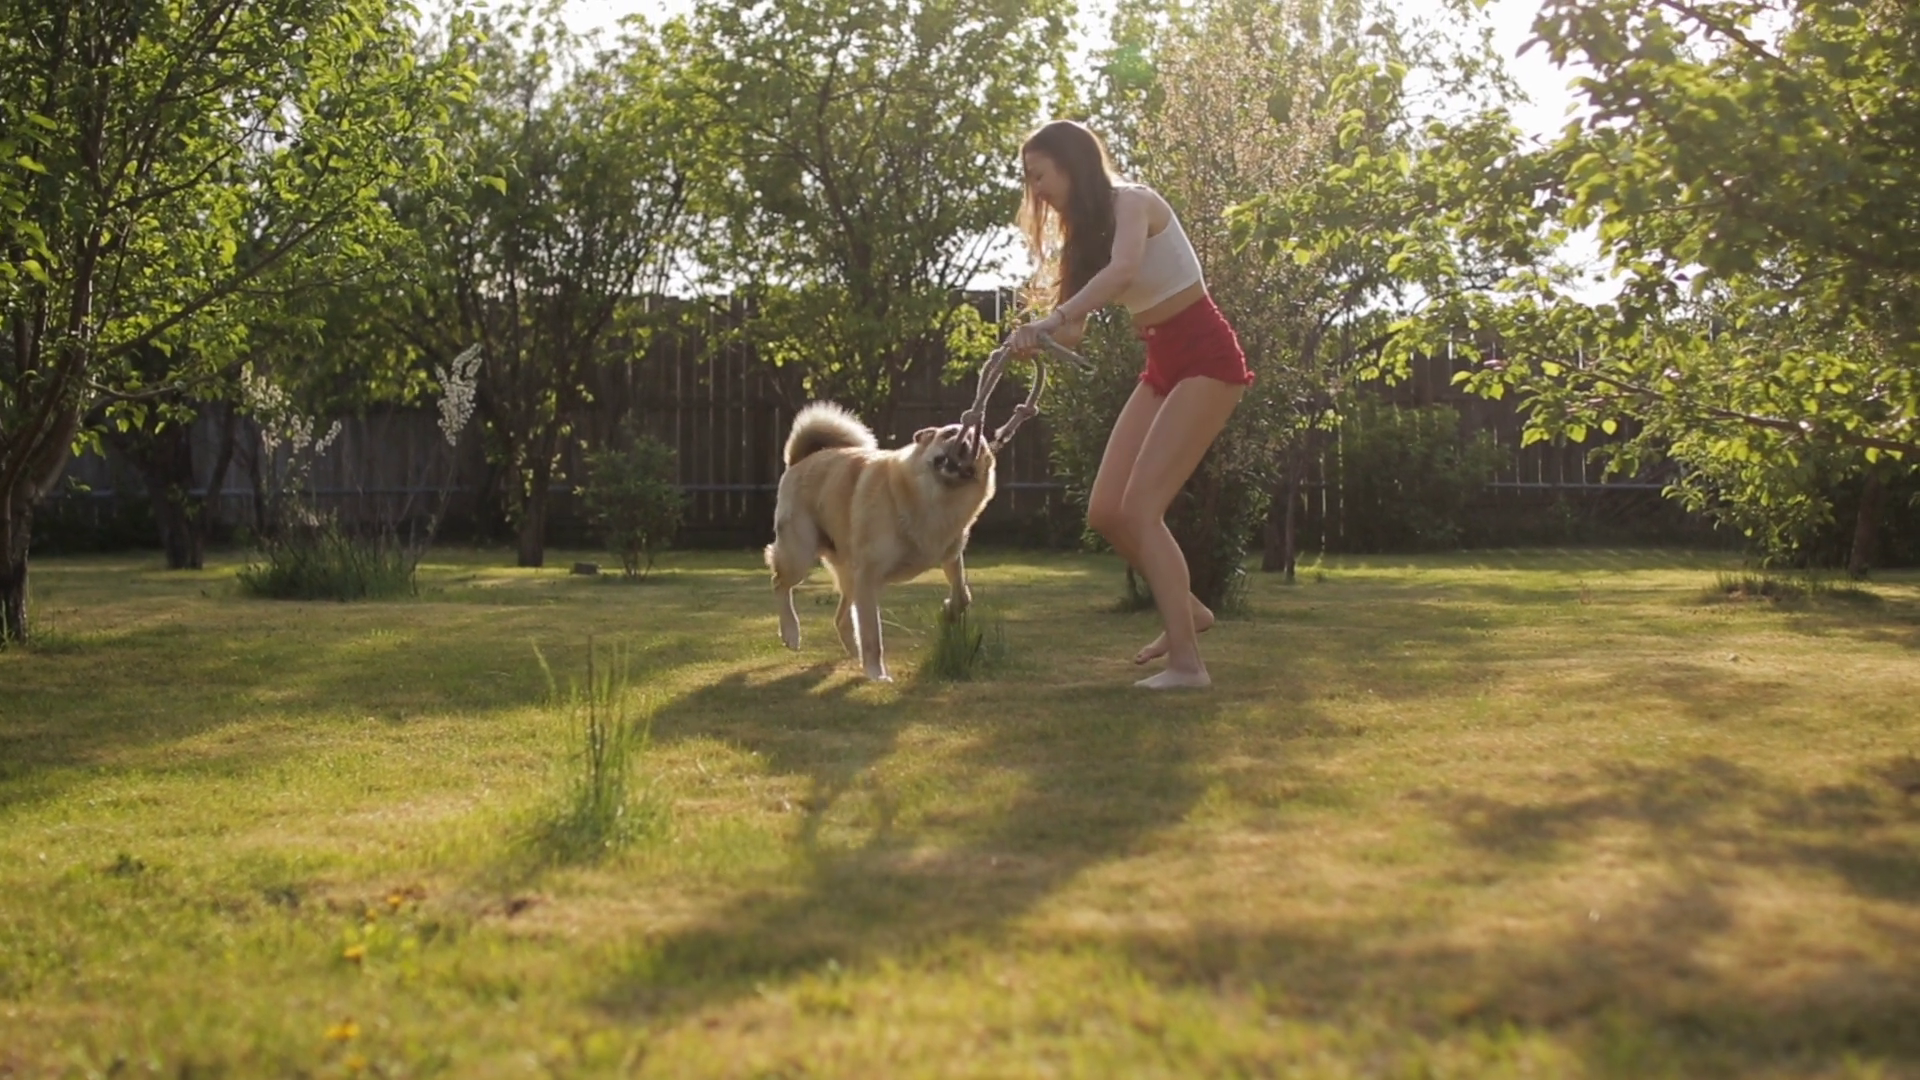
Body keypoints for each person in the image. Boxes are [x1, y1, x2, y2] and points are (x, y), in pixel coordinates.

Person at [1002, 119, 1254, 691]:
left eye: (1039, 175)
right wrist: (1035, 335)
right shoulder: (1085, 235)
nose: (1035, 190)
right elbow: (1073, 331)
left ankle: (1187, 666)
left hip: (1207, 358)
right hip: (1162, 361)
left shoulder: (1133, 202)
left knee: (1141, 510)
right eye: (1028, 179)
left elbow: (1124, 271)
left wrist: (1054, 317)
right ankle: (1189, 610)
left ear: (1071, 164)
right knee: (1107, 513)